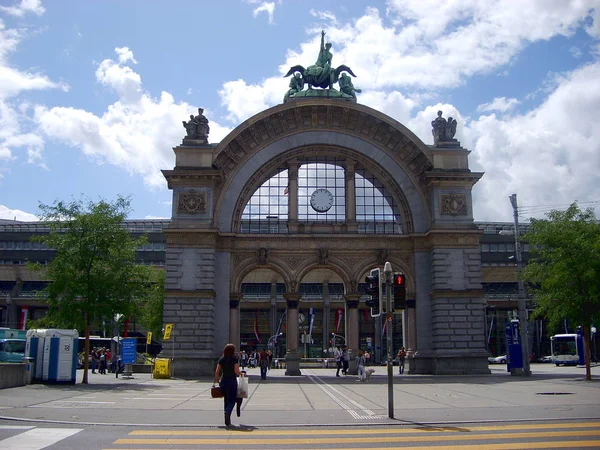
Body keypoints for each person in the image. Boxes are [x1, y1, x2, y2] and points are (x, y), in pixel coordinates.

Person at [214, 343, 245, 427]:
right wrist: (242, 374)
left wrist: (217, 380)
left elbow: (217, 371)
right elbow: (236, 371)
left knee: (226, 400)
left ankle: (227, 420)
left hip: (224, 381)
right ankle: (227, 413)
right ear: (232, 351)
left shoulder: (221, 359)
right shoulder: (234, 359)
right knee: (232, 400)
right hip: (232, 381)